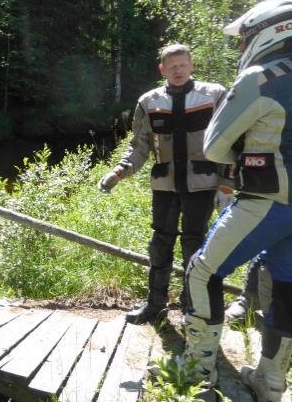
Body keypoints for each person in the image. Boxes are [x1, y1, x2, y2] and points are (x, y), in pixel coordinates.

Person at [181, 0, 292, 402]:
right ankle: (271, 383)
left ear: (264, 33)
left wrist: (249, 156)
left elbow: (214, 147)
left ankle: (196, 372)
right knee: (281, 282)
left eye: (243, 38)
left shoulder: (260, 78)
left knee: (202, 271)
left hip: (269, 199)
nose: (241, 46)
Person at [98, 44, 229, 325]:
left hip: (202, 185)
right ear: (162, 69)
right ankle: (155, 305)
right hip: (165, 186)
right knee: (160, 244)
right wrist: (119, 172)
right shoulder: (149, 101)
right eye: (172, 67)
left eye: (182, 65)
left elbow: (230, 141)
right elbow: (139, 146)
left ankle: (192, 307)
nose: (178, 71)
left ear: (191, 65)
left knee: (195, 246)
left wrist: (226, 185)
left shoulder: (215, 95)